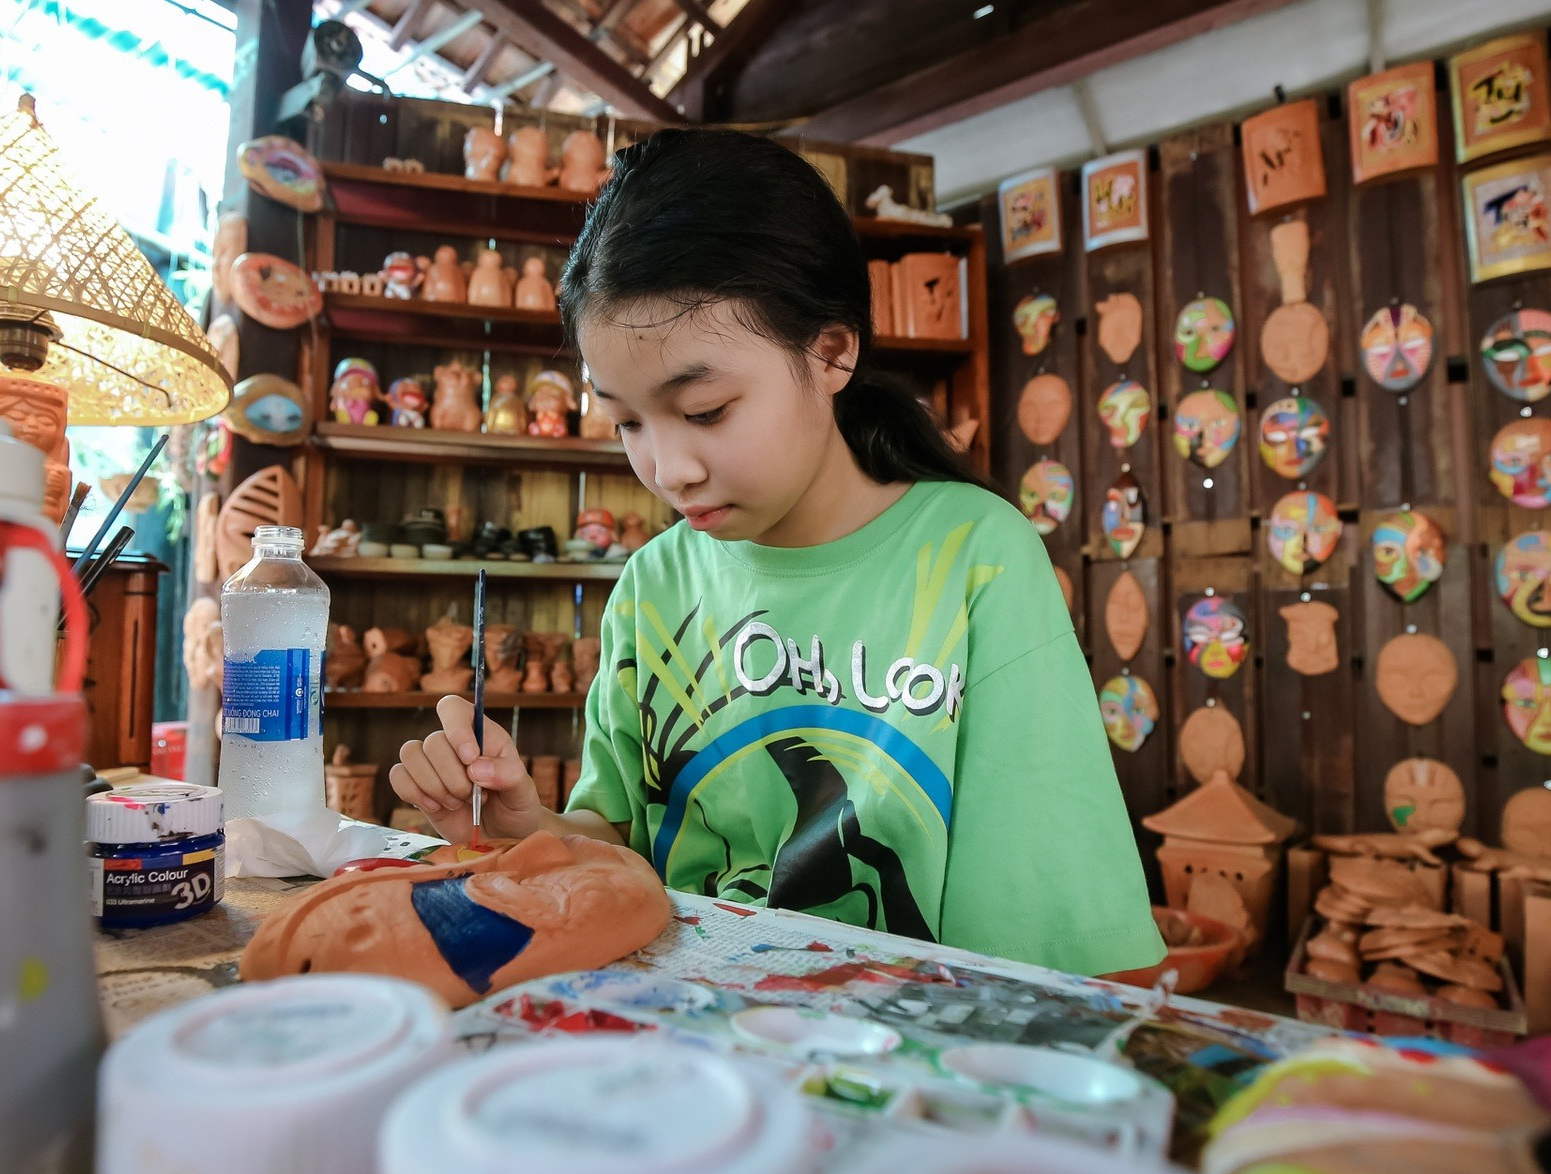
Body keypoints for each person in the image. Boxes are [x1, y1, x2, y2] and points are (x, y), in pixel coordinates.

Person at [389, 129, 1161, 976]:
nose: (668, 470)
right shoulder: (655, 583)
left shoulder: (973, 558)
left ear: (831, 351)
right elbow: (616, 844)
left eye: (708, 409)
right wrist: (525, 826)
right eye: (628, 422)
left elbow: (1044, 933)